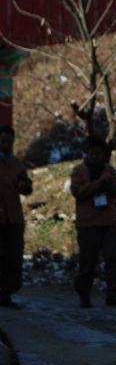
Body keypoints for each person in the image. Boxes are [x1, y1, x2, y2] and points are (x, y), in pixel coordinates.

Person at [71, 135, 116, 308]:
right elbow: (77, 192)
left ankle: (112, 293)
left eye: (98, 153)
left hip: (109, 221)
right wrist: (98, 183)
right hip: (88, 222)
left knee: (112, 258)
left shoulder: (109, 169)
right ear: (86, 153)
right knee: (87, 260)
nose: (95, 156)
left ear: (103, 153)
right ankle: (84, 294)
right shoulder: (79, 171)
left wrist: (109, 183)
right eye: (92, 153)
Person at [0, 125, 33, 307]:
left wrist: (24, 186)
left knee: (13, 256)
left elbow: (27, 184)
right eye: (2, 141)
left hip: (13, 218)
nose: (5, 145)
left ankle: (6, 294)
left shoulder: (16, 163)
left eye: (9, 142)